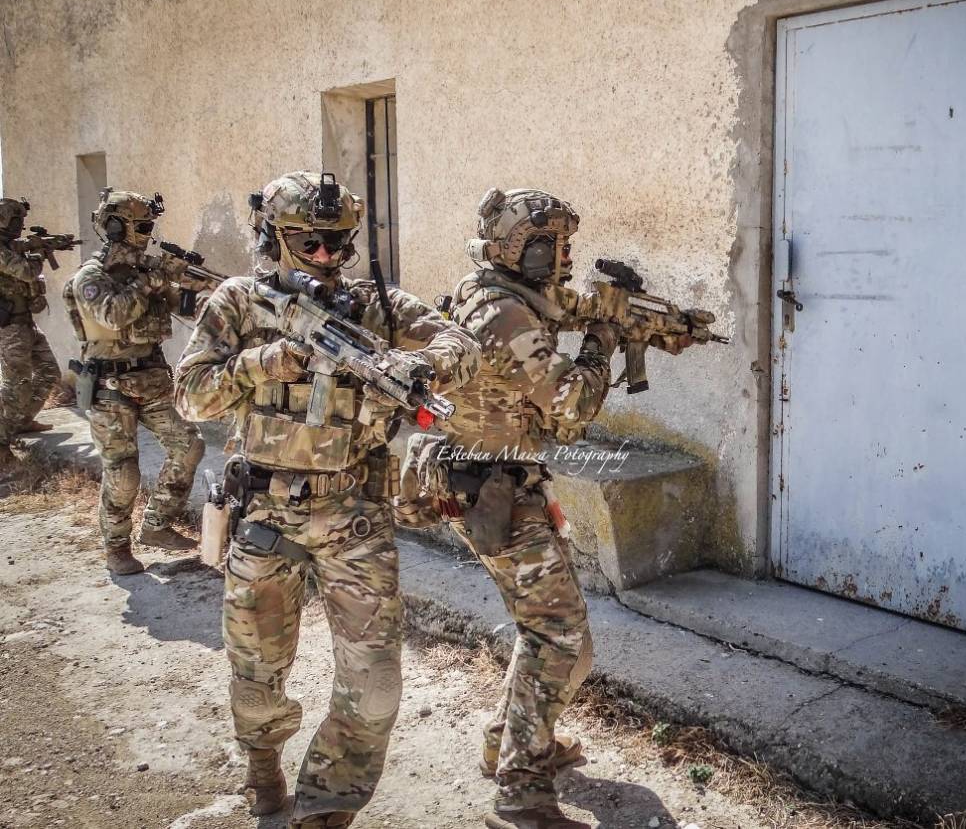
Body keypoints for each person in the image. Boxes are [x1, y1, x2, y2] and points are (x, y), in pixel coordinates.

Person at [175, 171, 480, 828]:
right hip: (263, 512)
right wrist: (265, 363)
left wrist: (419, 367)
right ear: (274, 237)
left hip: (353, 516)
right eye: (308, 243)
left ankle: (329, 799)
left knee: (375, 687)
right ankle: (263, 766)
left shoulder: (375, 308)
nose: (325, 257)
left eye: (338, 244)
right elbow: (190, 395)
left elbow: (462, 343)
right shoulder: (236, 301)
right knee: (257, 678)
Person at [402, 188, 616, 829]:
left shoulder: (495, 293)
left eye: (565, 245)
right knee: (560, 637)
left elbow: (566, 306)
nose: (561, 257)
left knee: (547, 632)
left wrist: (620, 313)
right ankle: (520, 794)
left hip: (499, 484)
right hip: (497, 494)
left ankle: (511, 742)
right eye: (548, 245)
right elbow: (572, 407)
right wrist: (603, 344)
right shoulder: (504, 316)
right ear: (513, 248)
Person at [63, 188, 203, 575]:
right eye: (141, 225)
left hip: (152, 382)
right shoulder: (91, 277)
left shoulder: (146, 273)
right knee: (124, 473)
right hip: (109, 388)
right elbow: (114, 315)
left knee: (189, 446)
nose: (146, 233)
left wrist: (197, 291)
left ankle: (157, 525)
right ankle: (117, 548)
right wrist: (154, 278)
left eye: (149, 226)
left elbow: (184, 310)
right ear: (113, 227)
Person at [0, 197, 61, 462]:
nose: (20, 226)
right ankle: (2, 442)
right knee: (17, 387)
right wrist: (38, 254)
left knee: (50, 372)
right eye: (16, 221)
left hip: (26, 323)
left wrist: (42, 246)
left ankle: (22, 420)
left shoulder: (10, 246)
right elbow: (26, 271)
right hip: (9, 327)